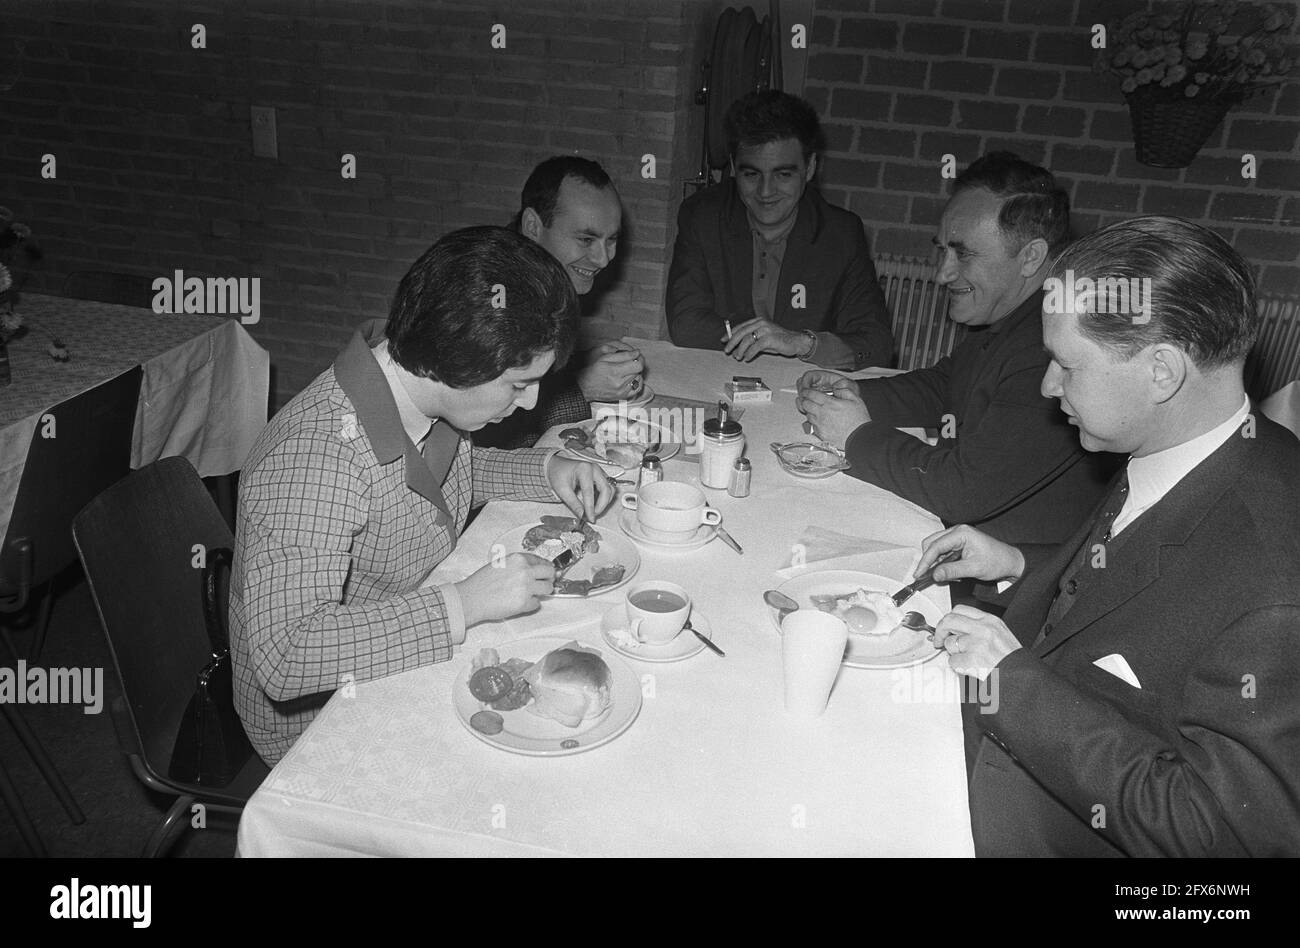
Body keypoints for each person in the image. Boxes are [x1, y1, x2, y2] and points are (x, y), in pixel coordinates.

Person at [914, 216, 1300, 857]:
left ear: (1161, 373)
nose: (1048, 386)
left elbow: (1220, 836)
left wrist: (1013, 683)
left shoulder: (1275, 591)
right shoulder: (1185, 443)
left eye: (1068, 365)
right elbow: (1127, 587)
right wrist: (1014, 564)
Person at [229, 226, 616, 764]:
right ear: (455, 360)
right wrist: (465, 603)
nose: (530, 406)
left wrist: (547, 470)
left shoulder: (421, 389)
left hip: (399, 632)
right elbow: (288, 654)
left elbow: (432, 481)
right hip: (322, 716)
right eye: (517, 384)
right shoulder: (314, 454)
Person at [798, 152, 1117, 546]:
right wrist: (852, 391)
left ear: (1031, 256)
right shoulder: (1016, 313)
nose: (942, 273)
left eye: (962, 253)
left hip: (999, 583)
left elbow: (961, 490)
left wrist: (855, 435)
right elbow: (946, 384)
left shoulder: (1050, 349)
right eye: (943, 250)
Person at [665, 90, 894, 371]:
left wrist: (799, 343)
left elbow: (876, 346)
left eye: (783, 174)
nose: (765, 191)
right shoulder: (702, 216)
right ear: (735, 167)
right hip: (718, 380)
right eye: (751, 174)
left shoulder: (841, 233)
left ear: (810, 168)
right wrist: (763, 340)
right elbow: (686, 324)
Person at [474, 156, 645, 448]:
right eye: (586, 239)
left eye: (611, 240)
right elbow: (485, 433)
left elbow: (523, 373)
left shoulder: (542, 276)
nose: (603, 259)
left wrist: (579, 363)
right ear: (532, 225)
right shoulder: (493, 295)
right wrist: (583, 389)